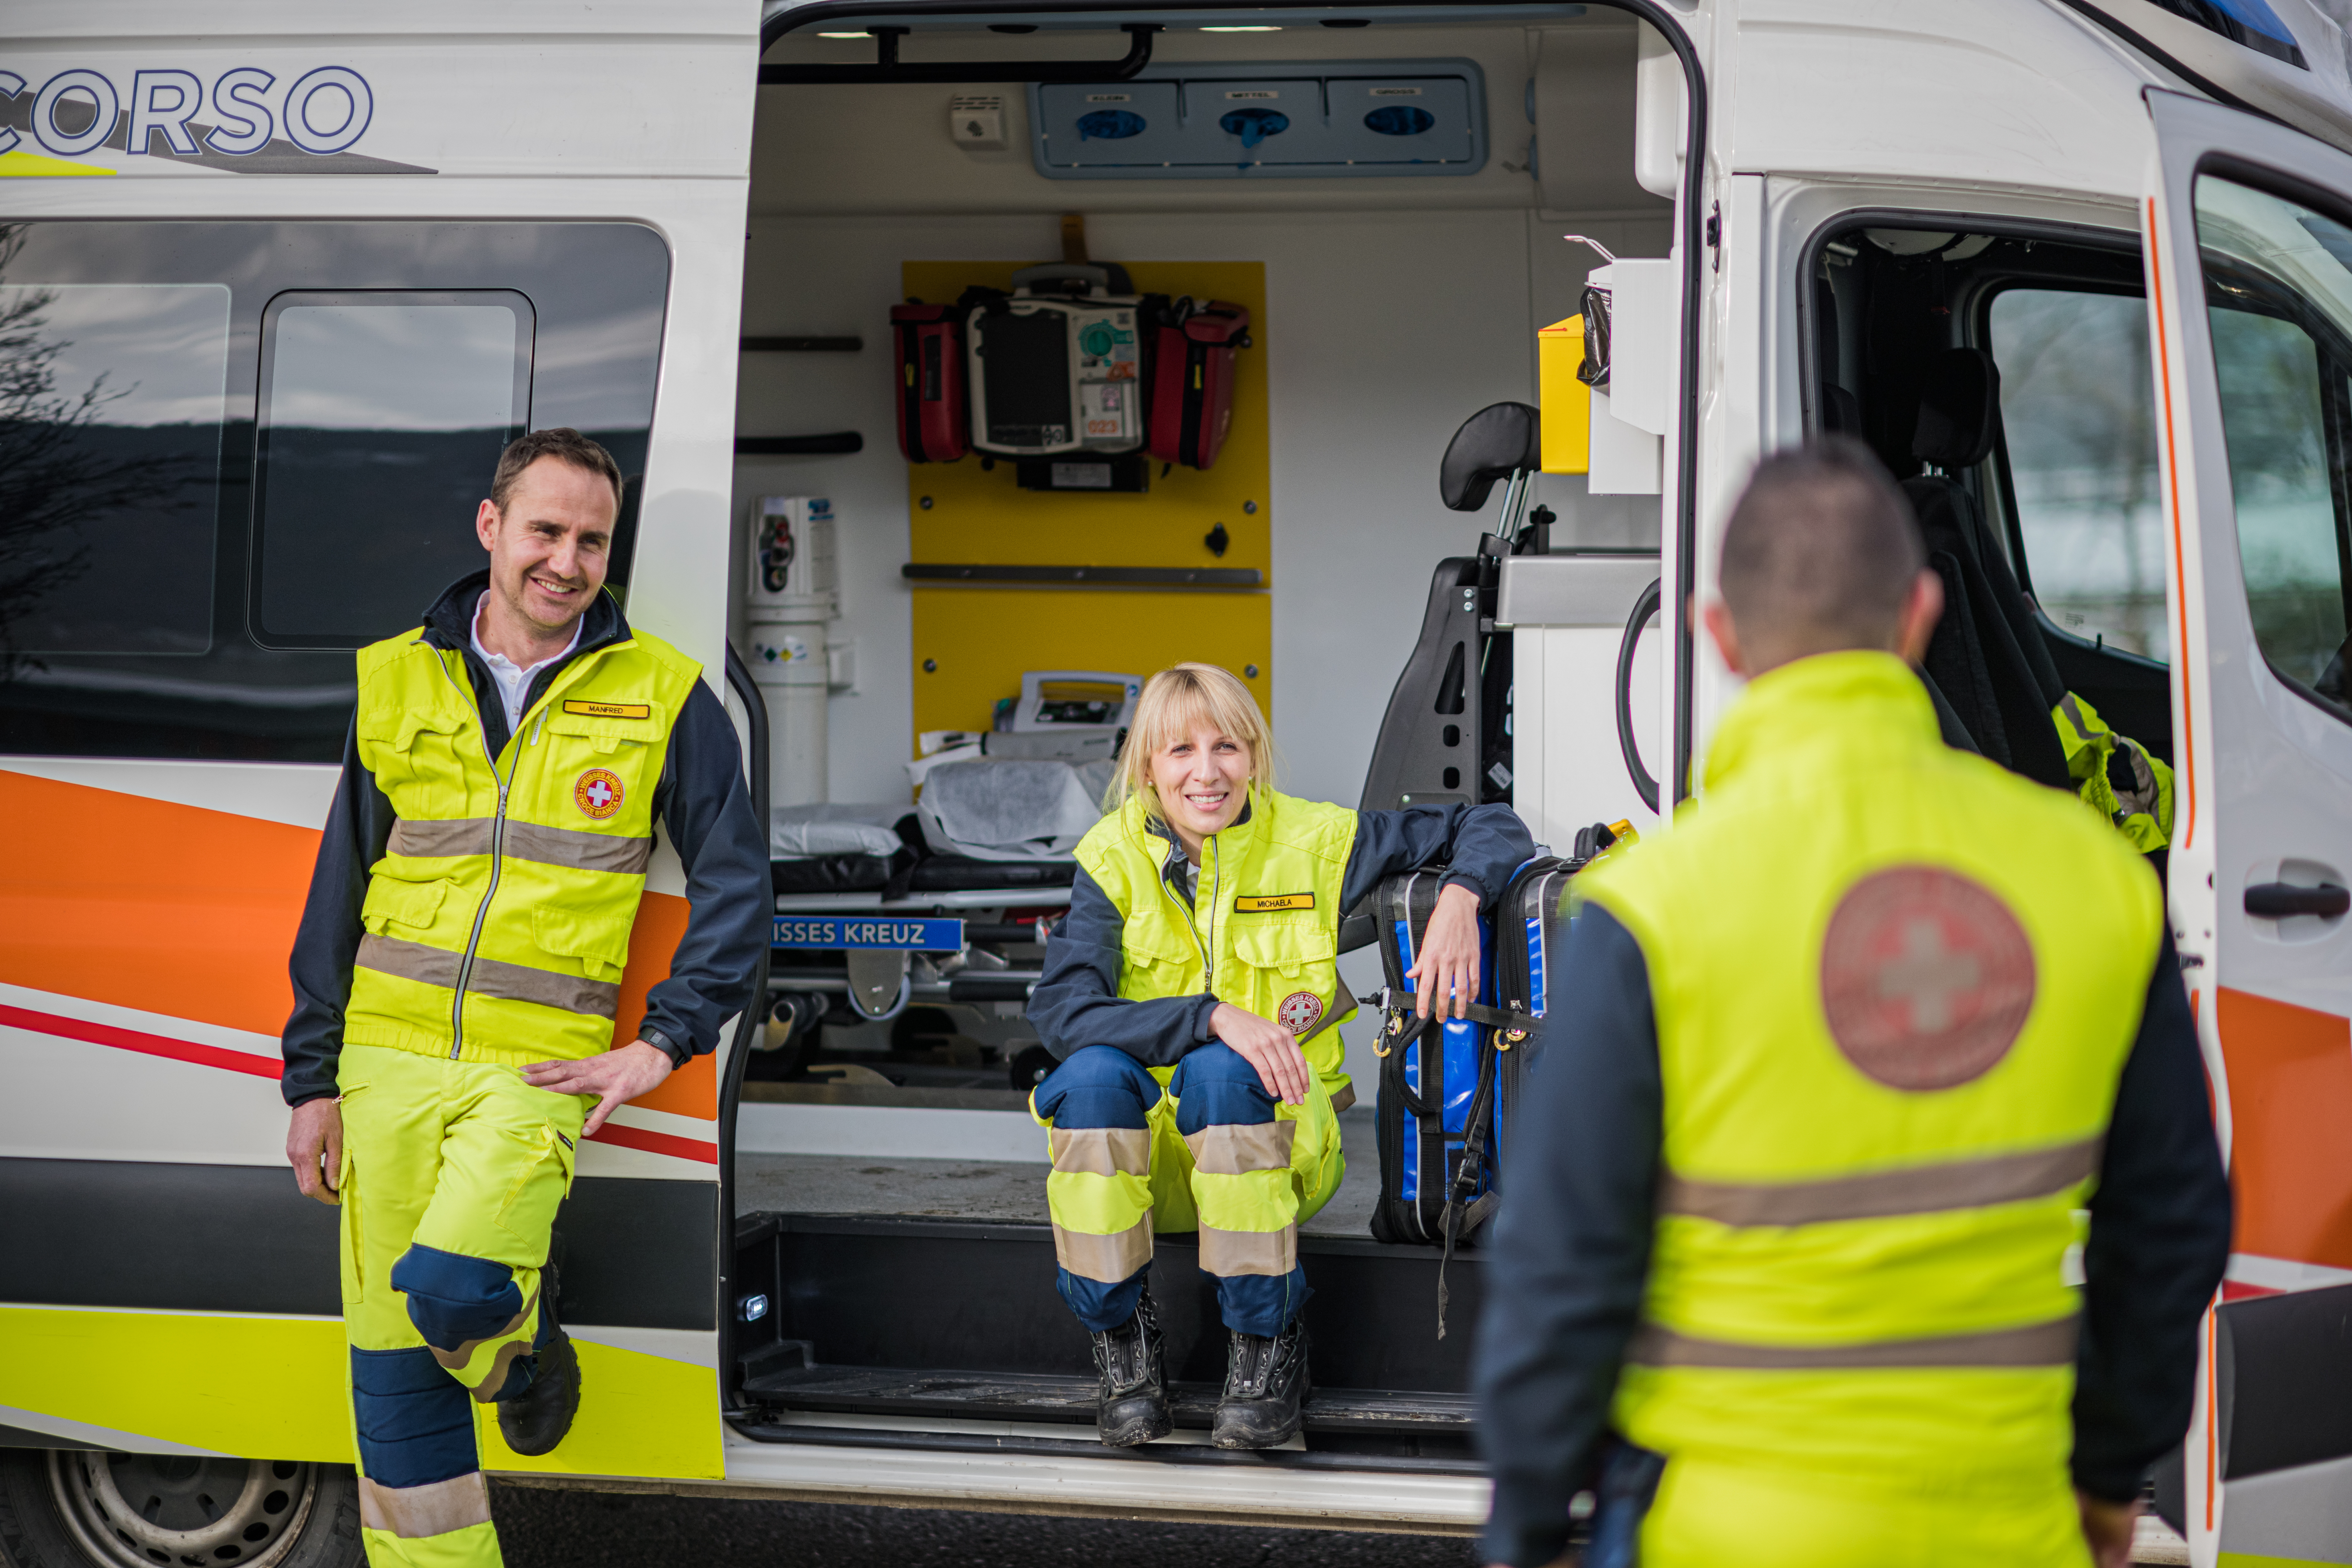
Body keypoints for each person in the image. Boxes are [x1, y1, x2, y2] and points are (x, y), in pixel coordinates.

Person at [1473, 439, 2231, 1568]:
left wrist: (1530, 1524)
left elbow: (1561, 1263)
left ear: (1716, 633)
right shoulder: (2095, 876)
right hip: (2009, 1524)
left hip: (1721, 1533)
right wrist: (2109, 1472)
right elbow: (2172, 1223)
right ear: (1923, 615)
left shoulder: (1650, 909)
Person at [278, 428, 767, 1568]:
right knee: (393, 1374)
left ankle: (521, 1347)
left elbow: (740, 888)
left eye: (593, 540)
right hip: (382, 1062)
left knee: (451, 1294)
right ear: (492, 528)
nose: (568, 561)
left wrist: (665, 1041)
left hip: (534, 1068)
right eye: (546, 530)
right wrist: (312, 1080)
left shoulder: (663, 696)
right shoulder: (397, 674)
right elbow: (336, 892)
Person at [1027, 662, 1533, 1449]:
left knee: (1226, 1073)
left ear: (1255, 755)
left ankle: (1266, 1352)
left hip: (1281, 1145)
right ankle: (1124, 1348)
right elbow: (1063, 1013)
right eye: (1180, 751)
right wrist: (1212, 1016)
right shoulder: (1110, 858)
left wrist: (1463, 899)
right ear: (1147, 767)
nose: (1206, 772)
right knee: (1088, 1077)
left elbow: (1493, 822)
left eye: (1227, 746)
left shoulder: (1316, 842)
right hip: (1152, 1164)